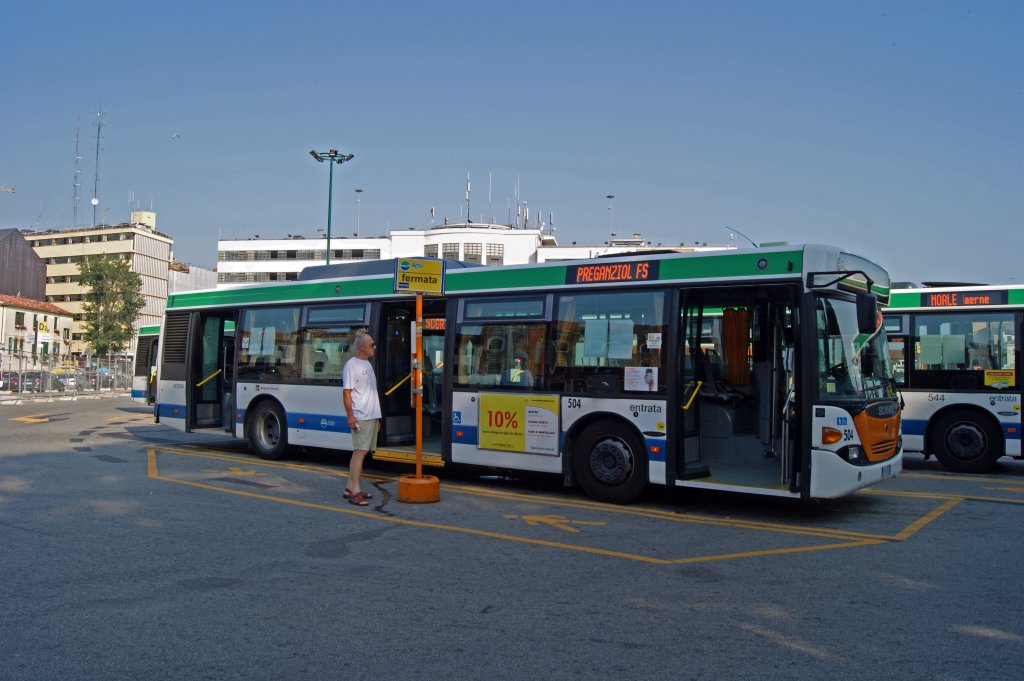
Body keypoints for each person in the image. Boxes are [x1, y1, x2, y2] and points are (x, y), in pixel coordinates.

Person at [342, 332, 381, 506]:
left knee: (363, 452)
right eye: (371, 344)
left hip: (371, 416)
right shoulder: (352, 365)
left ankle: (350, 487)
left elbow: (370, 393)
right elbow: (346, 392)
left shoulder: (367, 364)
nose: (374, 347)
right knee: (359, 452)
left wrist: (377, 418)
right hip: (361, 415)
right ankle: (355, 492)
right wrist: (350, 415)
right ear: (361, 347)